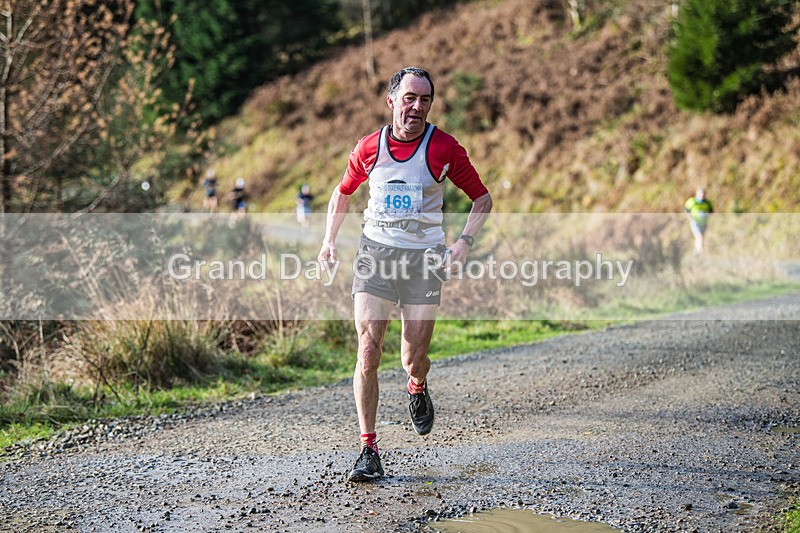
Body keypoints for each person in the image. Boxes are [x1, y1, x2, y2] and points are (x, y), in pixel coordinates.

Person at [317, 67, 493, 482]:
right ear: (392, 100)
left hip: (423, 260)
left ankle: (417, 386)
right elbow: (341, 194)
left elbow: (482, 199)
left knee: (412, 357)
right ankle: (368, 448)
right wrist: (328, 242)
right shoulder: (368, 147)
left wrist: (463, 243)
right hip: (375, 254)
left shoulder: (444, 148)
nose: (417, 107)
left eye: (425, 100)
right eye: (410, 98)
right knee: (367, 347)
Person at [684, 187, 713, 253]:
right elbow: (686, 209)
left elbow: (711, 210)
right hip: (695, 222)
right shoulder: (692, 201)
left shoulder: (708, 203)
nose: (702, 195)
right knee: (699, 236)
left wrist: (708, 215)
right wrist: (689, 216)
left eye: (703, 194)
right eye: (700, 194)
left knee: (701, 237)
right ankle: (700, 250)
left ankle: (696, 250)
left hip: (704, 222)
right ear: (697, 194)